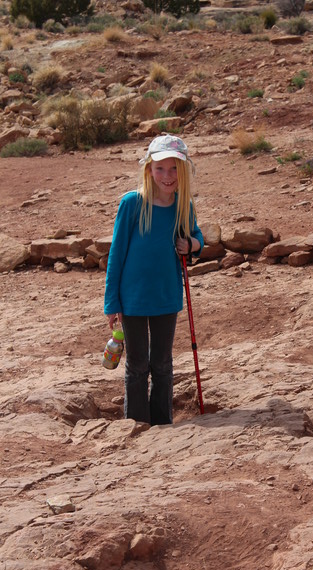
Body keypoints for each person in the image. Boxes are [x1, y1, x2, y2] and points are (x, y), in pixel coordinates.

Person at [104, 134, 204, 426]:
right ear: (149, 169)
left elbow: (196, 236)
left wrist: (192, 245)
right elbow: (116, 254)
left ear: (183, 171)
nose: (167, 176)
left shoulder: (183, 206)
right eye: (160, 168)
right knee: (137, 365)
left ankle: (162, 423)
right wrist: (112, 302)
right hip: (132, 299)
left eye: (174, 169)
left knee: (162, 364)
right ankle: (135, 424)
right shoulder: (133, 204)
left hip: (165, 296)